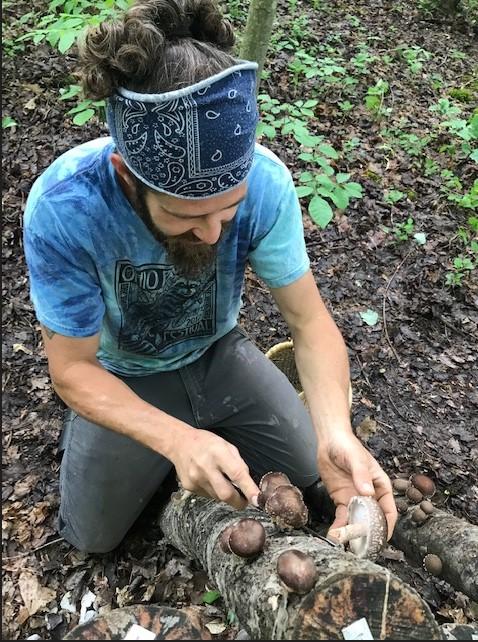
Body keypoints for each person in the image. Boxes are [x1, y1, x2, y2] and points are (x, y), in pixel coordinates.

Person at [23, 0, 397, 554]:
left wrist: (337, 431)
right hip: (124, 371)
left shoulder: (267, 184)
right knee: (93, 539)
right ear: (129, 174)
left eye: (228, 210)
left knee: (315, 477)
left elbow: (309, 320)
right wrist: (174, 438)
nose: (214, 234)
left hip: (218, 351)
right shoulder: (66, 208)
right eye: (187, 215)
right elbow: (72, 368)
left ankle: (221, 425)